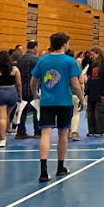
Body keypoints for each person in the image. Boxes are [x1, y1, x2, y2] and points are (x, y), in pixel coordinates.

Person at [32, 33, 84, 182]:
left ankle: (43, 170)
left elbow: (33, 81)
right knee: (63, 134)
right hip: (64, 102)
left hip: (47, 102)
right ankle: (60, 167)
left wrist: (36, 94)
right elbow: (75, 84)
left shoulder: (43, 61)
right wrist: (81, 98)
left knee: (45, 134)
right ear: (64, 44)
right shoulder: (69, 61)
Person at [14, 41, 40, 139]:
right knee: (36, 110)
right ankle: (37, 131)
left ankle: (20, 131)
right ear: (35, 47)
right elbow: (36, 76)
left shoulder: (20, 58)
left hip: (22, 88)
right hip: (32, 88)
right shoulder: (35, 59)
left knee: (22, 110)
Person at [84, 47, 104, 137]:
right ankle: (91, 130)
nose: (92, 57)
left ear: (98, 54)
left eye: (93, 55)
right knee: (90, 112)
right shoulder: (92, 64)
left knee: (99, 112)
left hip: (101, 91)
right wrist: (87, 89)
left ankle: (99, 130)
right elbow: (89, 78)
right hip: (92, 91)